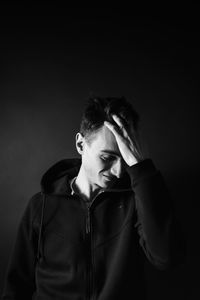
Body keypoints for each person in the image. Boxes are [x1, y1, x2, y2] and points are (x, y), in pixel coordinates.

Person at [1, 97, 184, 300]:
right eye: (107, 157)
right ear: (80, 144)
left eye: (124, 159)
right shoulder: (40, 206)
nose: (118, 171)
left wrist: (140, 166)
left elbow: (166, 258)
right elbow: (16, 287)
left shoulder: (137, 200)